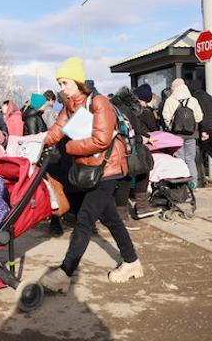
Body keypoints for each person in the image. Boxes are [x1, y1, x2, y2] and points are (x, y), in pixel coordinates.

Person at [40, 57, 142, 293]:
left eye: (65, 83)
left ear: (77, 81)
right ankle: (132, 261)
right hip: (91, 167)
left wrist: (69, 148)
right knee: (112, 220)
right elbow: (58, 129)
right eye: (60, 84)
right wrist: (38, 141)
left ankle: (65, 273)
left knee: (84, 220)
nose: (62, 88)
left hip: (107, 168)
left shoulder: (99, 103)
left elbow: (101, 140)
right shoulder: (70, 105)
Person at [110, 86, 159, 228]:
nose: (145, 105)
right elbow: (131, 132)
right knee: (127, 179)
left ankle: (137, 208)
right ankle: (125, 214)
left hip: (122, 148)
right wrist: (141, 139)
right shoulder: (127, 110)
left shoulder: (116, 107)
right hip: (125, 149)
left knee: (134, 174)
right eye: (144, 102)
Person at [161, 78, 203, 189]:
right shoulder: (193, 100)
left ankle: (182, 182)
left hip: (176, 135)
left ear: (174, 88)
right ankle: (193, 182)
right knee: (190, 158)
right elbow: (199, 117)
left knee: (180, 158)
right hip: (191, 134)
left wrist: (171, 126)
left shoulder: (170, 100)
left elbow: (166, 117)